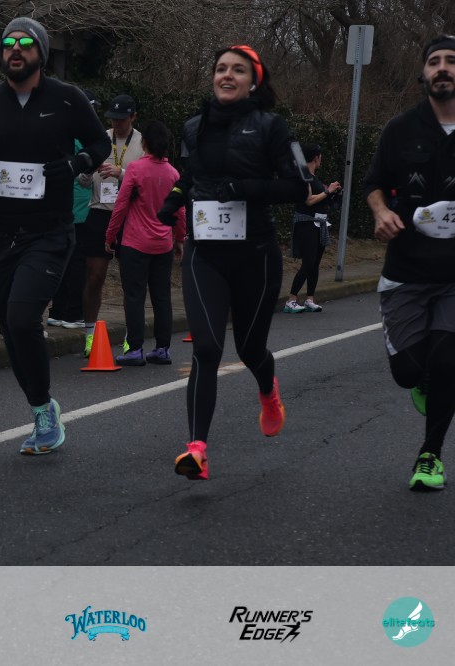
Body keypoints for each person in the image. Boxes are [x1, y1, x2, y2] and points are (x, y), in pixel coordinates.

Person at [0, 16, 110, 454]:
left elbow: (100, 145)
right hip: (0, 234)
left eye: (25, 43)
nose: (15, 49)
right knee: (9, 328)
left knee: (23, 319)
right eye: (7, 43)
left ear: (41, 52)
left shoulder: (68, 98)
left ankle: (43, 416)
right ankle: (42, 405)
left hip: (49, 232)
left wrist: (76, 164)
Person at [157, 45, 308, 480]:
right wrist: (173, 200)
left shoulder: (273, 127)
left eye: (238, 70)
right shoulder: (193, 126)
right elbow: (191, 177)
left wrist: (245, 188)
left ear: (254, 82)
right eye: (221, 68)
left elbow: (299, 186)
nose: (227, 75)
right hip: (205, 253)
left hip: (255, 256)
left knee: (249, 349)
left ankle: (268, 389)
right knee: (206, 348)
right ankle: (197, 449)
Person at [363, 34, 455, 491]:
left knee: (448, 361)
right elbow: (373, 184)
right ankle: (422, 379)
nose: (442, 67)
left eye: (451, 60)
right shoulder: (401, 128)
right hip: (406, 271)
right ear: (423, 73)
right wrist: (381, 212)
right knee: (408, 373)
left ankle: (429, 456)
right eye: (434, 61)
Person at [104, 120, 185, 366]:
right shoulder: (173, 173)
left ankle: (135, 349)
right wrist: (179, 238)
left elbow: (120, 205)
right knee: (162, 296)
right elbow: (180, 211)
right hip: (163, 243)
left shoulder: (136, 169)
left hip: (135, 243)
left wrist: (110, 235)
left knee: (134, 296)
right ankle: (162, 348)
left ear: (144, 143)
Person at [77, 94, 144, 356]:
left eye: (122, 119)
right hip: (99, 213)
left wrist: (122, 173)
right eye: (113, 119)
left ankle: (131, 337)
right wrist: (88, 170)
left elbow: (148, 180)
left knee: (130, 281)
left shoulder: (142, 143)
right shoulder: (100, 139)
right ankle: (90, 336)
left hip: (129, 216)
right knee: (95, 277)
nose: (116, 123)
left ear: (133, 117)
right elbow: (82, 181)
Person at [48, 90, 98, 331]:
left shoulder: (61, 133)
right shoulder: (85, 139)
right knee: (78, 263)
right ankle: (73, 313)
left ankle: (57, 312)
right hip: (80, 208)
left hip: (62, 207)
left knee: (62, 260)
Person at [285, 143, 341, 313]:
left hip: (319, 223)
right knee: (308, 262)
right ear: (316, 157)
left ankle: (310, 299)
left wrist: (333, 193)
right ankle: (291, 300)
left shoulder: (315, 178)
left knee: (315, 263)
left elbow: (321, 199)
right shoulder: (304, 177)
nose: (321, 159)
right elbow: (308, 200)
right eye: (320, 156)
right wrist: (328, 191)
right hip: (306, 223)